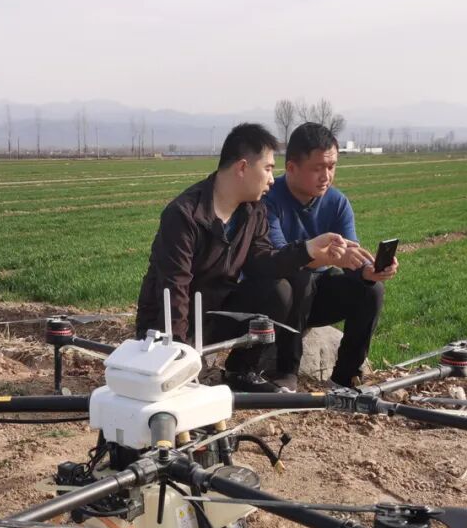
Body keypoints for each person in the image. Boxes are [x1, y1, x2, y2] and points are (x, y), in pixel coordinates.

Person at [134, 123, 366, 392]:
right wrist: (180, 356)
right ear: (243, 168)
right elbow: (174, 288)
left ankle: (241, 370)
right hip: (169, 325)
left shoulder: (253, 211)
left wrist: (308, 250)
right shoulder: (184, 215)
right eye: (267, 168)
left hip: (218, 311)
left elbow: (264, 262)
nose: (272, 179)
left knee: (278, 290)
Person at [261, 122, 398, 390]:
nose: (326, 176)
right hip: (277, 298)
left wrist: (369, 271)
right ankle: (286, 372)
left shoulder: (337, 203)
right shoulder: (269, 200)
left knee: (371, 291)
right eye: (317, 168)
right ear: (291, 168)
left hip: (317, 295)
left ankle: (345, 378)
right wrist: (330, 259)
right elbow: (280, 259)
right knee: (298, 277)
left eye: (332, 166)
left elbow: (350, 256)